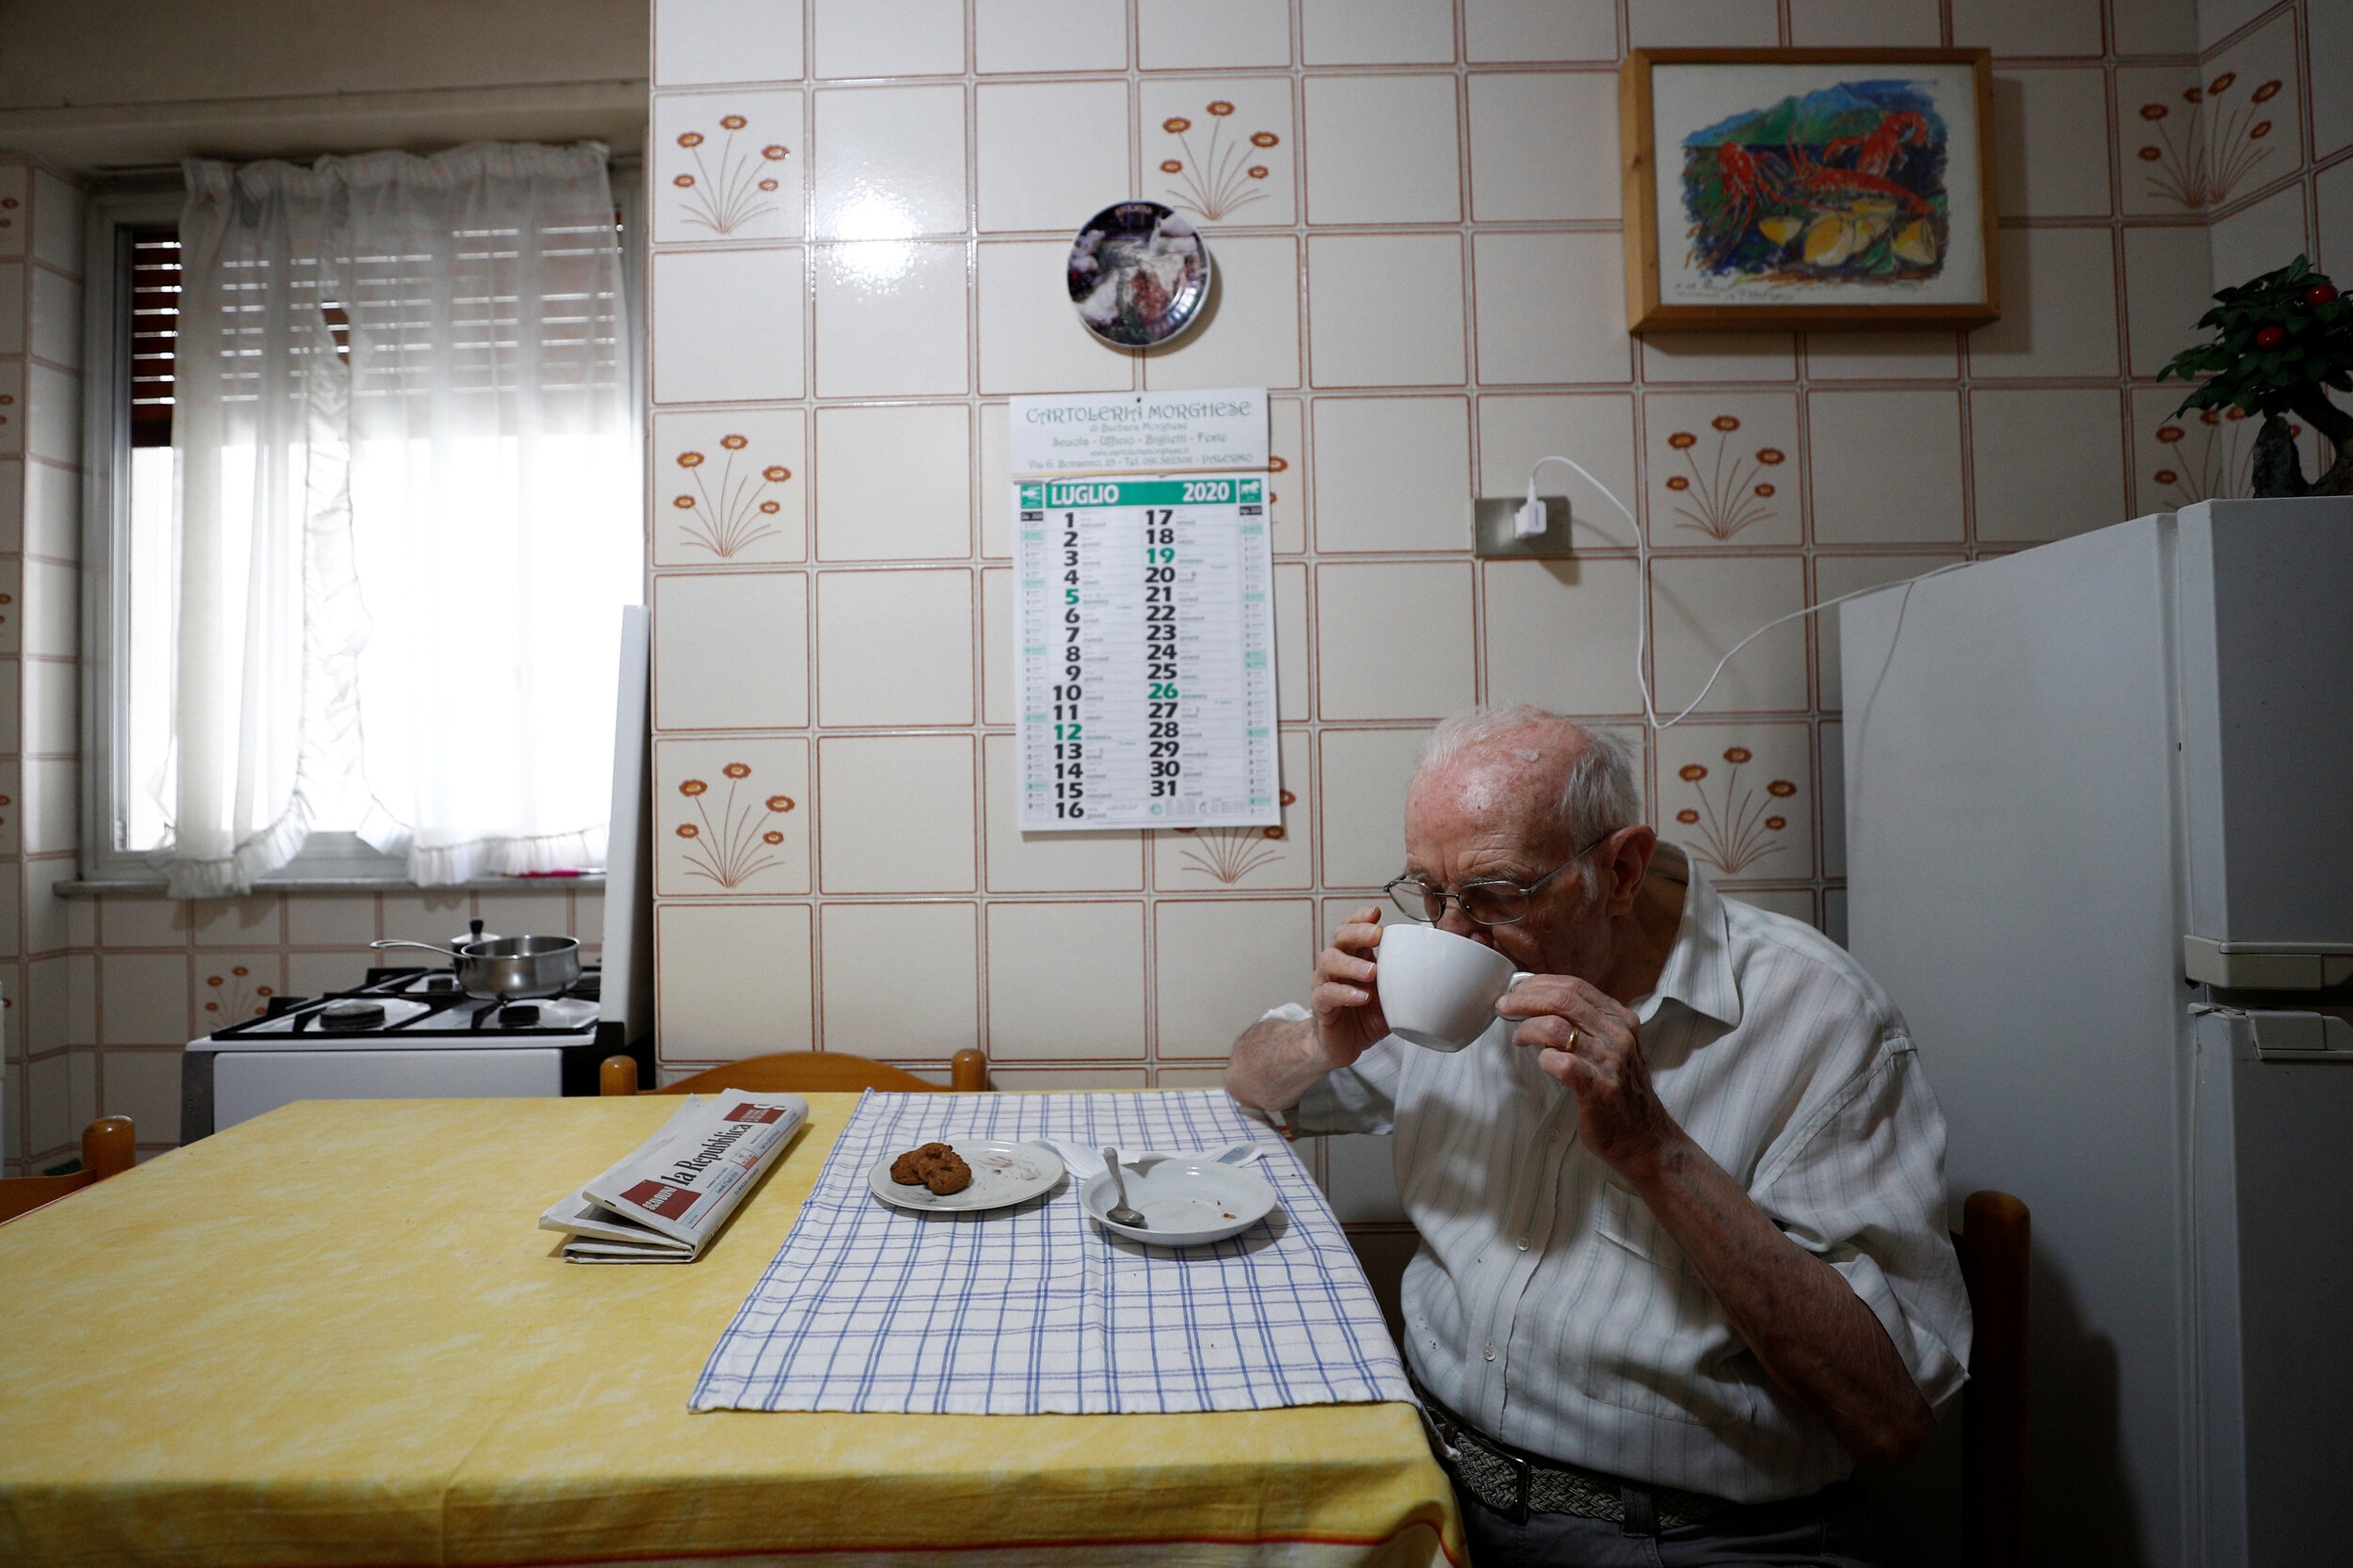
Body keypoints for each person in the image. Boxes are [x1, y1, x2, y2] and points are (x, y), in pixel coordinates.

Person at [1225, 707, 1968, 1568]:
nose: (1452, 932)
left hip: (1694, 1534)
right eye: (1429, 891)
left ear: (1620, 870)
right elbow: (1251, 1079)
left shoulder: (1819, 1019)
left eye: (1496, 892)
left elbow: (1891, 1416)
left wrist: (1654, 1151)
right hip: (1434, 1486)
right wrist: (1321, 1042)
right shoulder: (1451, 981)